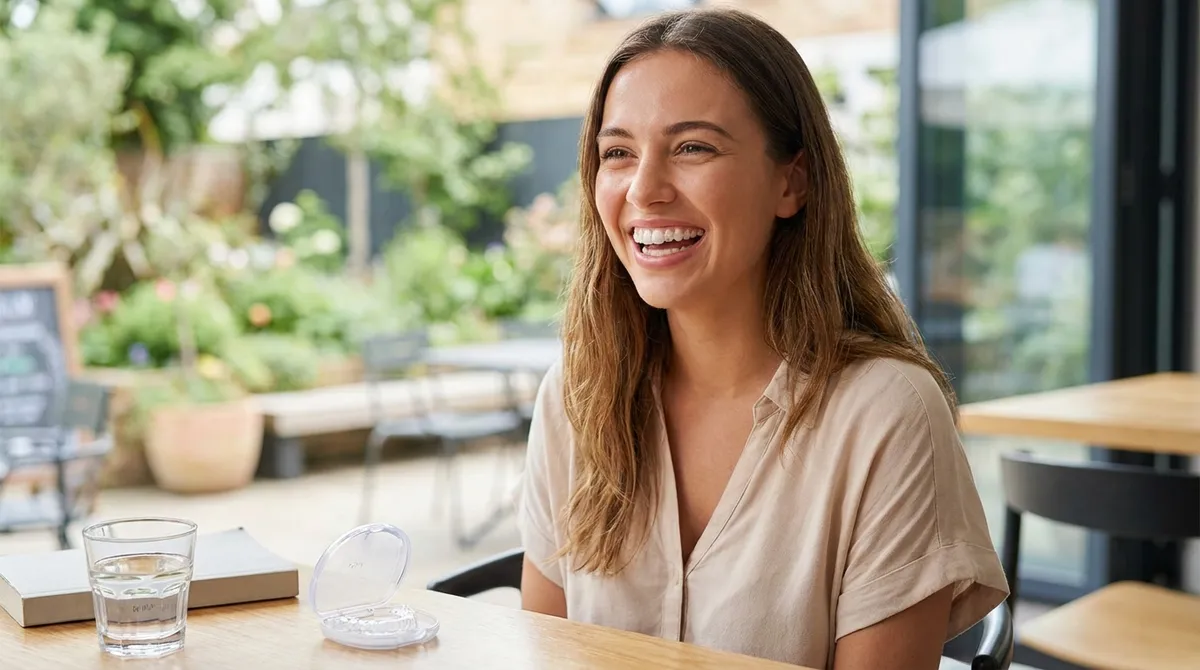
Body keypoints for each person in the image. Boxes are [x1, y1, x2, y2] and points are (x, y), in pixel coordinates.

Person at [517, 7, 1008, 669]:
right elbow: (544, 652)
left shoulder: (886, 416)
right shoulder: (576, 398)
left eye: (693, 147)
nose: (645, 188)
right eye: (618, 153)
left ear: (791, 181)